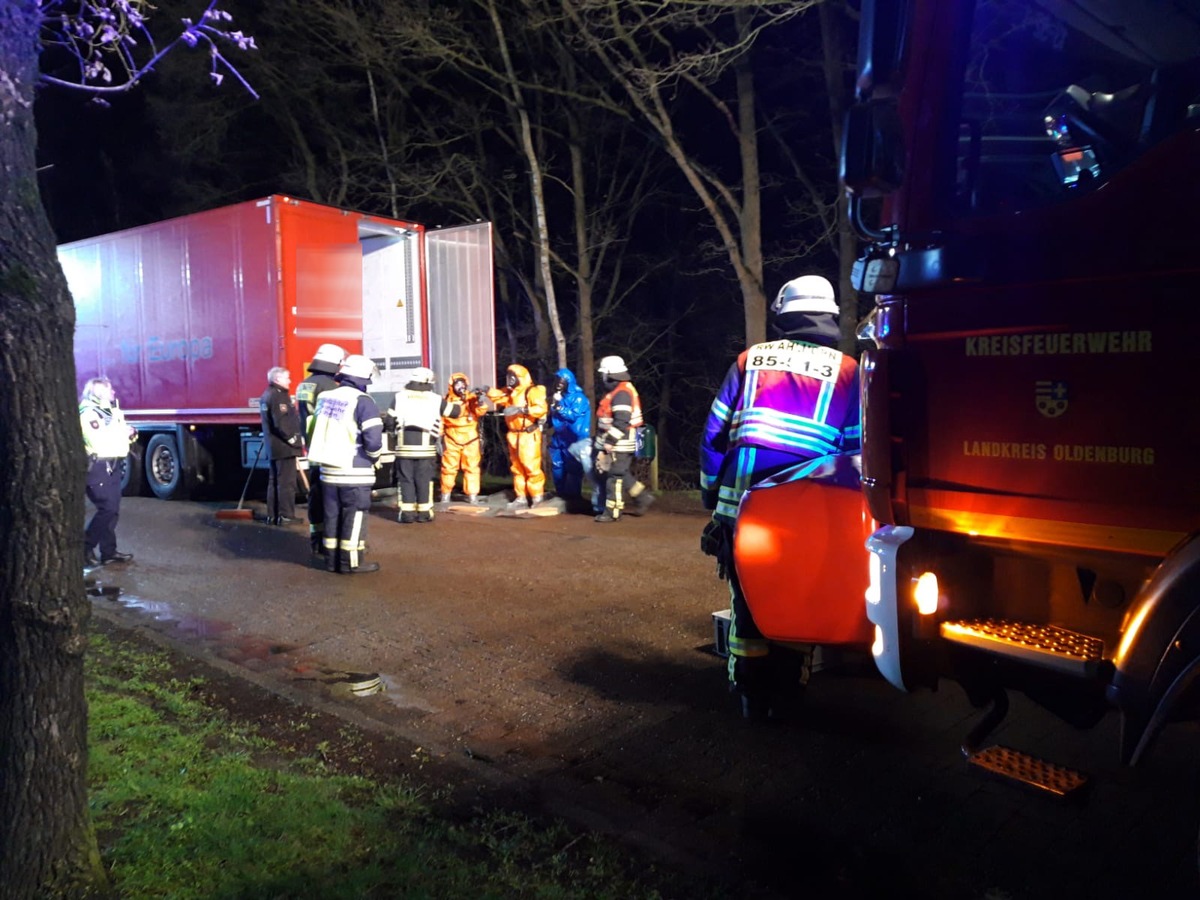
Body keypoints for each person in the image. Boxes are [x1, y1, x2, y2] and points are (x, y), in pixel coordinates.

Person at [699, 274, 861, 721]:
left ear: (782, 317)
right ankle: (789, 692)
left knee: (747, 604)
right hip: (808, 517)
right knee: (799, 599)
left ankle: (751, 697)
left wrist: (711, 496)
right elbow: (855, 453)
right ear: (830, 316)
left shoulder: (751, 361)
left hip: (742, 513)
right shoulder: (849, 372)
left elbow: (713, 435)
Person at [306, 354, 384, 574]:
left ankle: (331, 561)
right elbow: (373, 439)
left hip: (328, 470)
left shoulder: (325, 397)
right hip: (354, 471)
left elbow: (313, 427)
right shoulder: (363, 401)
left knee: (332, 515)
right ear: (363, 378)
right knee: (355, 514)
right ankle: (350, 563)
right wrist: (375, 457)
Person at [80, 376, 137, 567]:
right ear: (98, 392)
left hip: (112, 464)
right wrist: (123, 433)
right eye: (109, 389)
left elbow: (119, 438)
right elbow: (98, 440)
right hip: (97, 466)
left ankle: (109, 553)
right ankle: (85, 547)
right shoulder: (88, 413)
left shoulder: (111, 411)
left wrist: (130, 434)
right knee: (107, 508)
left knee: (113, 511)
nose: (113, 392)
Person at [391, 367, 459, 523]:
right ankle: (424, 513)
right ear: (428, 381)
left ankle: (407, 514)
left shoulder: (399, 396)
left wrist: (393, 433)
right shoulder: (434, 399)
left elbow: (389, 420)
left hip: (404, 448)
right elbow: (454, 412)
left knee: (406, 480)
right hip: (426, 449)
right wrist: (460, 398)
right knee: (424, 480)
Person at [295, 343, 346, 553]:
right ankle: (331, 543)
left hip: (313, 446)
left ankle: (317, 538)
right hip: (329, 449)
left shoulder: (305, 384)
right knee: (332, 497)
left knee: (316, 493)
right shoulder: (331, 388)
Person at [593, 355, 654, 522]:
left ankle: (613, 511)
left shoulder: (621, 394)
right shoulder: (621, 390)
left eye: (603, 374)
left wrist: (609, 442)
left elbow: (621, 421)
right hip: (621, 440)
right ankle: (642, 497)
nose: (602, 378)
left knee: (614, 477)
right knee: (622, 472)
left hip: (620, 441)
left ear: (609, 375)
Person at [487, 364, 549, 510]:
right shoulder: (511, 393)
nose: (509, 379)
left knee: (531, 466)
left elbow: (541, 408)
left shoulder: (531, 391)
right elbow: (500, 397)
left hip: (528, 434)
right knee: (517, 467)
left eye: (512, 376)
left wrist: (522, 409)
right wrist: (487, 391)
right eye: (508, 376)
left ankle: (537, 497)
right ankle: (520, 497)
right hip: (514, 434)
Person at [438, 372, 491, 507]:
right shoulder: (445, 400)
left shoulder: (471, 398)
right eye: (457, 384)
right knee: (449, 468)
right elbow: (441, 420)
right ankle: (446, 494)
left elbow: (481, 411)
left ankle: (472, 495)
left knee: (472, 468)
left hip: (470, 438)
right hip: (452, 438)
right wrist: (439, 436)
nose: (460, 387)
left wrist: (479, 401)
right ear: (452, 386)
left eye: (463, 384)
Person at [259, 366, 302, 525]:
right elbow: (281, 422)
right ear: (277, 380)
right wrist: (293, 440)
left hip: (274, 447)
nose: (289, 381)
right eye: (287, 378)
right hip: (284, 447)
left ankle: (273, 515)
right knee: (286, 483)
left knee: (275, 481)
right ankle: (286, 516)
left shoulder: (267, 394)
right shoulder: (279, 397)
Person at [547, 367, 592, 507]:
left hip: (574, 438)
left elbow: (572, 416)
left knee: (573, 467)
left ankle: (573, 497)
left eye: (562, 382)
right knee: (557, 465)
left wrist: (559, 407)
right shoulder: (558, 398)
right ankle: (560, 493)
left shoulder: (579, 398)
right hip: (559, 436)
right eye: (557, 382)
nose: (559, 385)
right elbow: (554, 417)